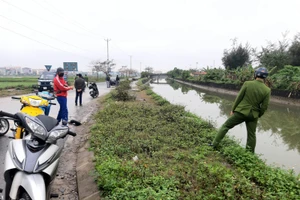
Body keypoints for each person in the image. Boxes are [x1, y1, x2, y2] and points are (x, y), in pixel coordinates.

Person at [210, 67, 271, 153]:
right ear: (265, 77)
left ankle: (214, 144)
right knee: (251, 135)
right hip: (253, 115)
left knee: (226, 126)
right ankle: (250, 154)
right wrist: (258, 114)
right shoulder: (267, 90)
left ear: (255, 75)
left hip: (241, 112)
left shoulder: (247, 84)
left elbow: (239, 97)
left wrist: (233, 109)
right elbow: (265, 106)